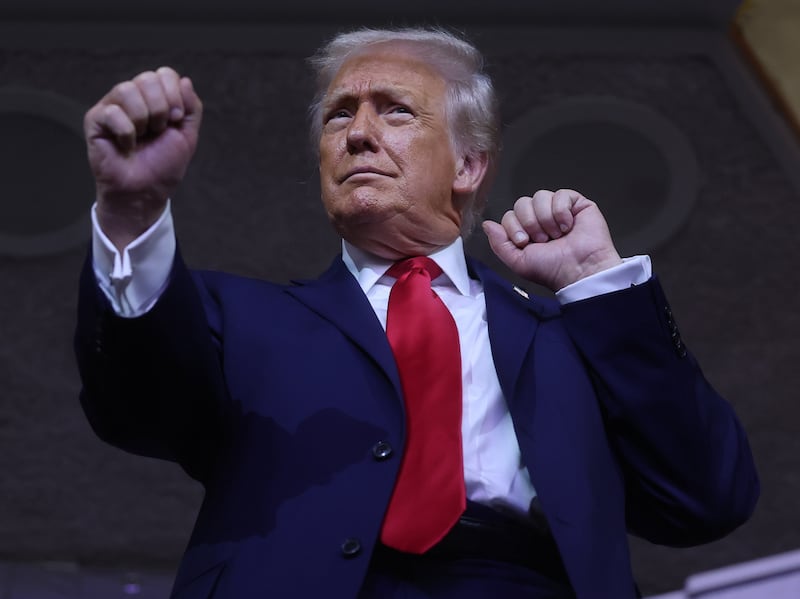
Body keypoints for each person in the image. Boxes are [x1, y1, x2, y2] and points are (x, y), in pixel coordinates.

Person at [74, 27, 759, 599]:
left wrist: (597, 284)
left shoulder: (568, 337)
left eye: (394, 110)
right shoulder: (239, 316)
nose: (359, 133)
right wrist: (132, 214)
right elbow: (133, 407)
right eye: (341, 113)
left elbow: (706, 498)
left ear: (469, 165)